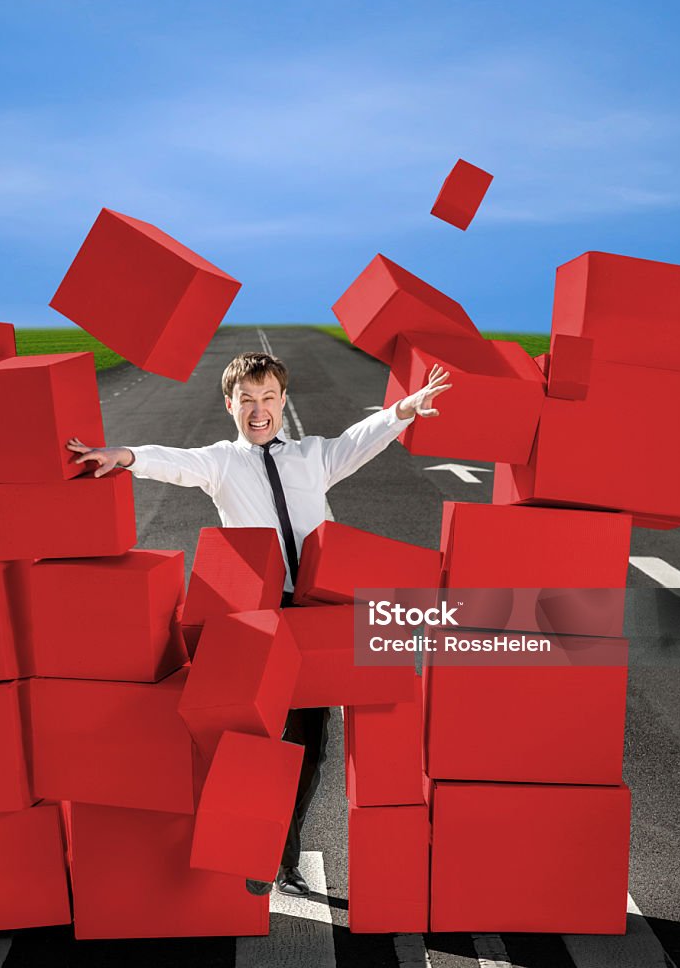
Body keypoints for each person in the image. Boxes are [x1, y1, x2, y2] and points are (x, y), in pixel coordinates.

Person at [66, 351, 451, 897]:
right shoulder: (222, 462)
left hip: (316, 615)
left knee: (310, 748)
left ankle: (282, 853)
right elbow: (173, 460)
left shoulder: (313, 457)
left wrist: (406, 409)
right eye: (246, 399)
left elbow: (360, 439)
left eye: (268, 397)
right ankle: (257, 850)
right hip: (256, 617)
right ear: (230, 405)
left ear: (282, 401)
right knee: (263, 739)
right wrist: (125, 455)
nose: (258, 409)